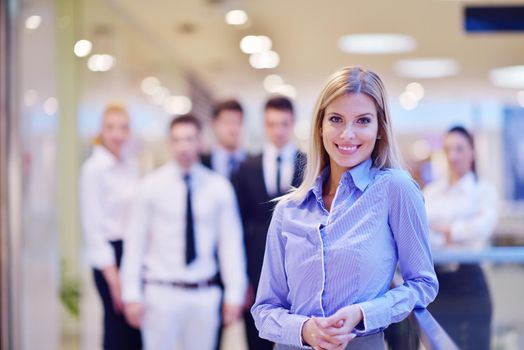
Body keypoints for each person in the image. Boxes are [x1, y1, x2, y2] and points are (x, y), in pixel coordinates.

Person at [251, 66, 439, 350]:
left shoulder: (395, 190)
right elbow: (264, 310)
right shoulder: (288, 209)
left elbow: (423, 284)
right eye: (336, 119)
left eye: (363, 121)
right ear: (320, 126)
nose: (348, 134)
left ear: (379, 129)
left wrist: (363, 313)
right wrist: (304, 330)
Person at [120, 114, 247, 350]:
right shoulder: (150, 187)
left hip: (204, 293)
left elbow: (231, 244)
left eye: (189, 139)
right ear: (169, 143)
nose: (183, 146)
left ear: (200, 141)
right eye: (177, 140)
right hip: (160, 292)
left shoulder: (218, 188)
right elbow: (134, 243)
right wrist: (131, 294)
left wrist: (234, 294)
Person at [232, 95, 306, 350]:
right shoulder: (245, 167)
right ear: (264, 126)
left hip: (299, 267)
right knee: (257, 339)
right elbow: (237, 226)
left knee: (297, 336)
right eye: (272, 124)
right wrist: (241, 279)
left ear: (293, 124)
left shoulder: (309, 165)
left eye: (284, 123)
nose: (278, 130)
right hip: (255, 266)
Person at [424, 125, 497, 350]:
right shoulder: (432, 193)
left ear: (472, 152)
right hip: (438, 286)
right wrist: (459, 230)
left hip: (471, 283)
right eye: (448, 150)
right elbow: (424, 235)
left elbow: (481, 229)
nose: (453, 156)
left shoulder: (484, 191)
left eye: (459, 149)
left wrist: (447, 230)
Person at [79, 102, 142, 350]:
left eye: (123, 128)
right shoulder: (93, 169)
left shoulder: (130, 165)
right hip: (110, 257)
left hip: (132, 252)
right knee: (116, 327)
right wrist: (114, 278)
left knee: (135, 326)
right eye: (110, 127)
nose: (117, 134)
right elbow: (93, 228)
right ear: (101, 131)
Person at [201, 99, 247, 179]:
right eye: (227, 122)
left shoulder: (252, 163)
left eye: (237, 122)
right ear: (214, 125)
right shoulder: (202, 163)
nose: (233, 129)